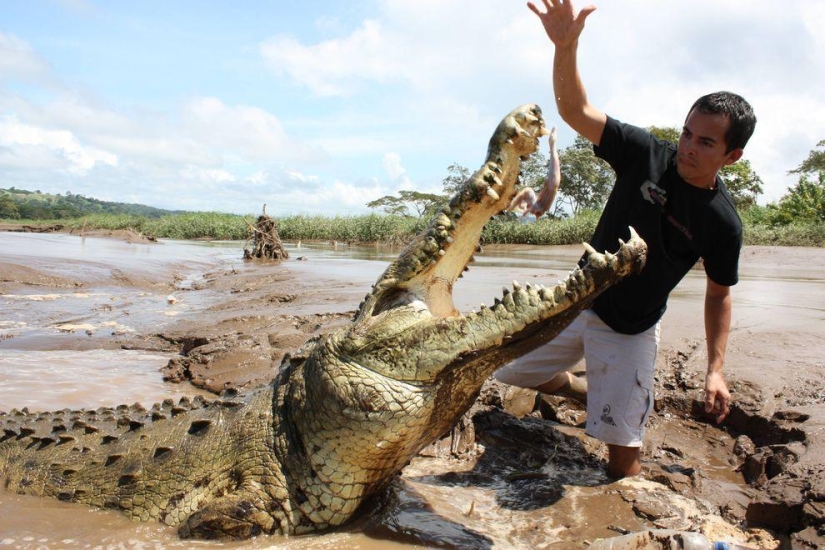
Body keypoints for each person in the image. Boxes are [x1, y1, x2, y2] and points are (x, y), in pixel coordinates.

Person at [494, 0, 757, 478]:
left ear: (731, 156)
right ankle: (580, 388)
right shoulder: (644, 154)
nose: (688, 148)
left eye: (705, 142)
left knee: (622, 464)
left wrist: (715, 369)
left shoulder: (723, 223)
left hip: (630, 328)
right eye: (686, 133)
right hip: (576, 302)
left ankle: (610, 397)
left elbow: (719, 296)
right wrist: (565, 46)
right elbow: (574, 109)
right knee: (502, 373)